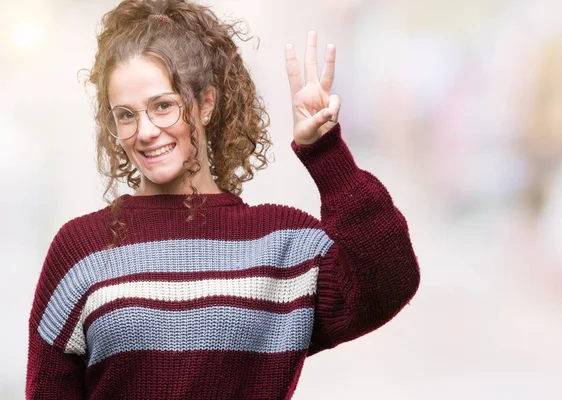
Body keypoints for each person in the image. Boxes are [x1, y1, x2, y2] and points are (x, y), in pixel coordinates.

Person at [26, 0, 421, 399]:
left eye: (164, 106)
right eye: (126, 115)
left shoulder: (281, 246)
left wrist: (324, 151)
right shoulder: (79, 251)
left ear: (207, 103)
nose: (145, 131)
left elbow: (389, 281)